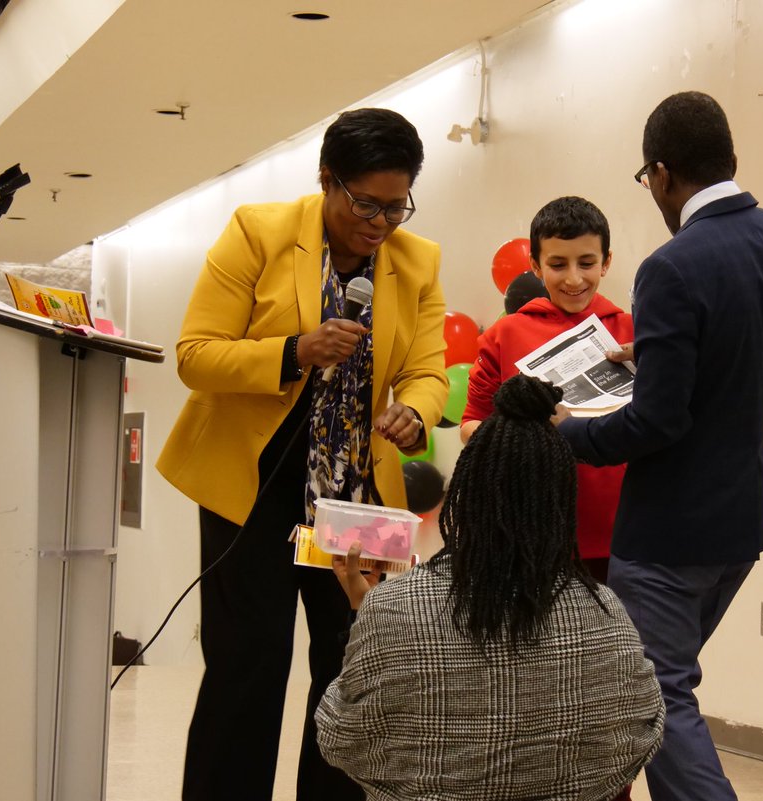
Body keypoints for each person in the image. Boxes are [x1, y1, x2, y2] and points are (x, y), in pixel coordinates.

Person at [156, 107, 449, 801]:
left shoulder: (418, 262)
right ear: (327, 179)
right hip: (254, 486)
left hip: (357, 495)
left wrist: (416, 412)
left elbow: (430, 370)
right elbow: (196, 355)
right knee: (247, 665)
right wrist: (294, 351)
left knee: (352, 667)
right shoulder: (257, 233)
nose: (379, 223)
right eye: (365, 203)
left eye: (395, 206)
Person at [557, 91, 763, 801]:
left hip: (668, 532)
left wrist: (565, 436)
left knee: (656, 696)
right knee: (651, 687)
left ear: (662, 173)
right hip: (742, 525)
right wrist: (665, 361)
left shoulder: (672, 266)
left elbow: (655, 426)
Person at [316, 375, 666, 801]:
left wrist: (362, 615)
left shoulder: (393, 609)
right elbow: (644, 731)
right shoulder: (604, 613)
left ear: (466, 491)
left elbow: (340, 737)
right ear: (561, 500)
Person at [461, 196, 632, 584]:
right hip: (530, 530)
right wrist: (515, 436)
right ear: (536, 266)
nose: (573, 279)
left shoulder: (632, 331)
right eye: (557, 264)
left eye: (586, 263)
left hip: (622, 531)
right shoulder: (505, 335)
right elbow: (471, 423)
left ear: (606, 262)